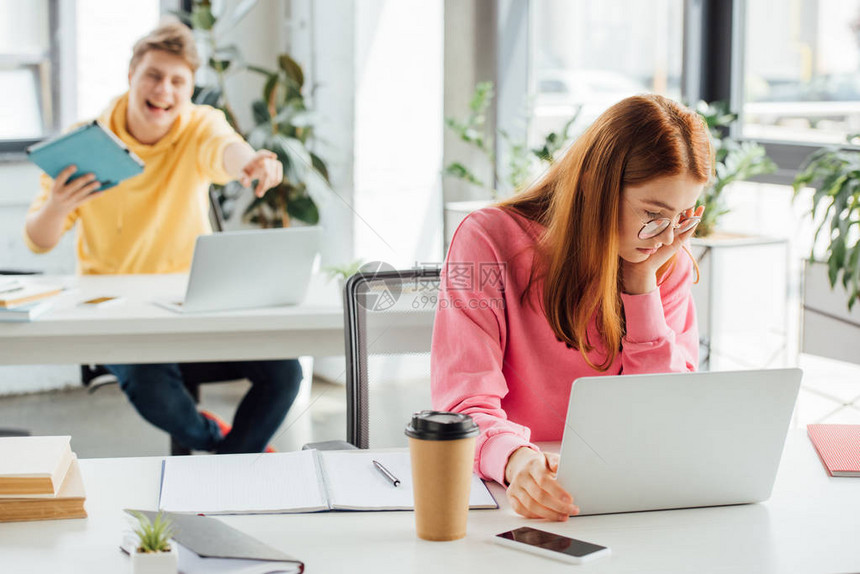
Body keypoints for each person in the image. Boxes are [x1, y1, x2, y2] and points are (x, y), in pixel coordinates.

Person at [23, 19, 302, 454]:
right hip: (115, 309)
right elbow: (38, 240)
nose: (164, 90)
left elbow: (226, 149)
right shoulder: (85, 142)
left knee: (286, 373)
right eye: (153, 75)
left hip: (194, 299)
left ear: (190, 88)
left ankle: (230, 463)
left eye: (178, 81)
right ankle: (227, 450)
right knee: (153, 389)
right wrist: (58, 205)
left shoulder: (198, 126)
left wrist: (252, 163)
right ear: (131, 75)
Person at [431, 94, 713, 521]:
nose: (664, 238)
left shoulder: (660, 261)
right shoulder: (487, 240)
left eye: (680, 219)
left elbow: (663, 416)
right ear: (594, 186)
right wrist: (516, 461)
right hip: (513, 497)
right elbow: (463, 405)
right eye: (652, 214)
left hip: (626, 500)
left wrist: (641, 288)